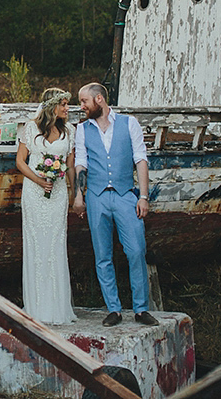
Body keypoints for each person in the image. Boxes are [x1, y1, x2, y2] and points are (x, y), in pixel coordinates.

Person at [71, 82, 158, 327]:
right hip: (96, 197)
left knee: (136, 251)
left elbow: (140, 159)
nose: (82, 107)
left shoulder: (129, 123)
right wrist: (79, 195)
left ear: (99, 99)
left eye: (84, 101)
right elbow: (81, 162)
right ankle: (114, 309)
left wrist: (143, 196)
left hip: (125, 195)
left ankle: (141, 309)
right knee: (103, 255)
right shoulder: (82, 129)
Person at [15, 87, 77, 324]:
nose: (66, 108)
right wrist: (39, 181)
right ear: (52, 106)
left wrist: (75, 194)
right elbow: (20, 161)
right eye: (63, 104)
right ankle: (37, 306)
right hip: (33, 191)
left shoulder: (70, 131)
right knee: (36, 243)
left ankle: (57, 306)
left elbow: (70, 166)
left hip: (58, 193)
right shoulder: (31, 128)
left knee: (54, 244)